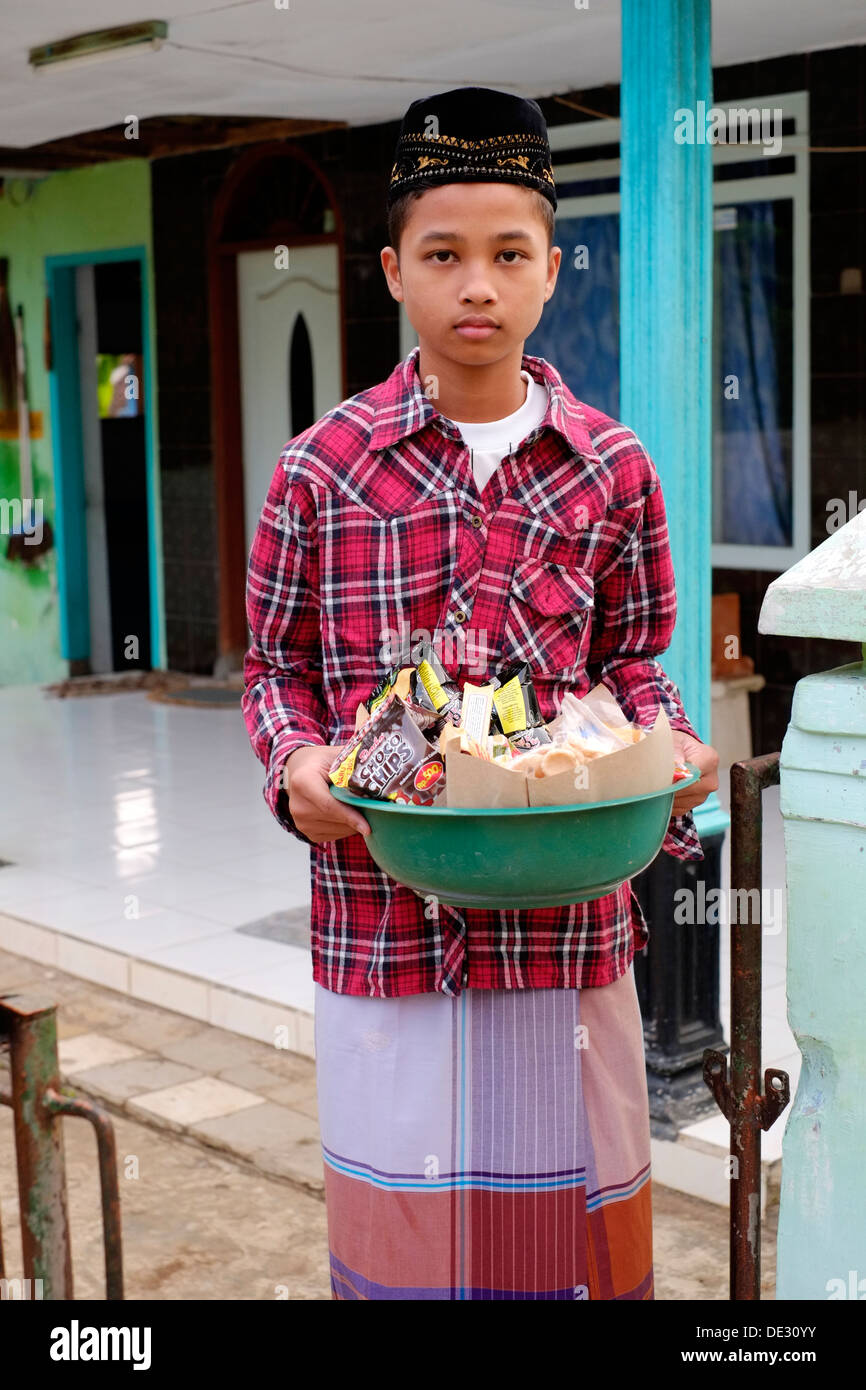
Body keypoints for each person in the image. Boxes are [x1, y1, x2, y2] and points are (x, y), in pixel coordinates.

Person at [242, 86, 719, 1301]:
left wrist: (661, 743)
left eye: (508, 254)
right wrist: (298, 768)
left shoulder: (611, 469)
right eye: (443, 254)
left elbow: (631, 664)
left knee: (574, 1261)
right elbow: (273, 672)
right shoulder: (320, 470)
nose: (477, 288)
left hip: (567, 934)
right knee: (409, 1265)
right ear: (392, 267)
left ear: (552, 271)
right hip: (383, 927)